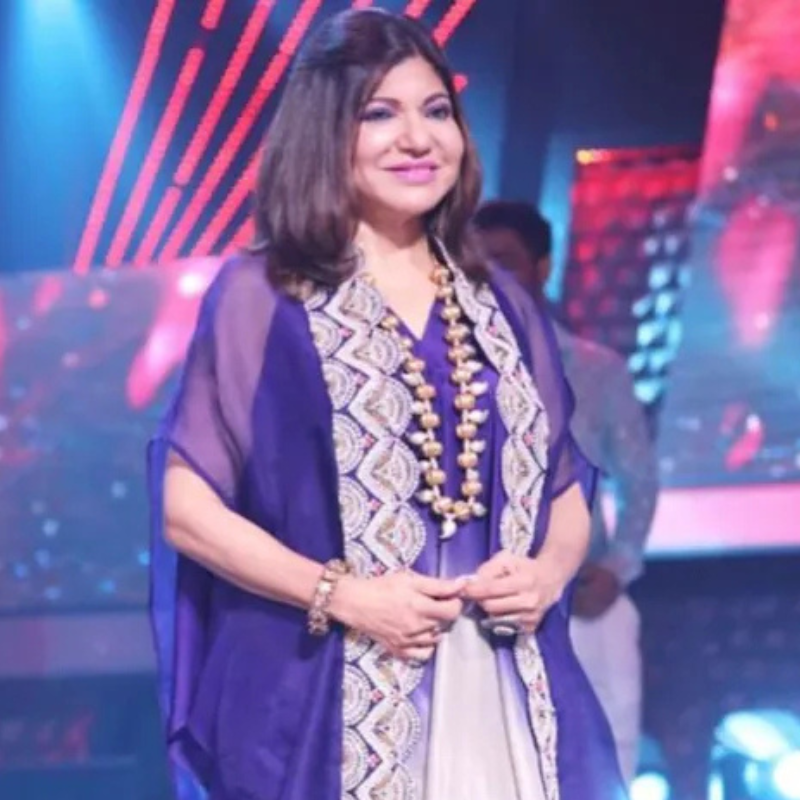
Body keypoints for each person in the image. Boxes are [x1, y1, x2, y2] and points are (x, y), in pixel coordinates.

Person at [149, 10, 627, 800]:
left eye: (436, 111)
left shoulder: (500, 302)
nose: (418, 139)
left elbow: (564, 486)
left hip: (502, 688)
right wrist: (344, 596)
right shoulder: (263, 296)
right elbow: (186, 510)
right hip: (327, 692)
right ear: (325, 133)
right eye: (381, 113)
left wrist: (546, 576)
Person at [474, 200, 659, 784]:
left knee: (606, 755)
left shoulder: (595, 370)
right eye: (477, 263)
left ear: (542, 267)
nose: (489, 276)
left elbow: (639, 477)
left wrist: (617, 569)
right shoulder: (454, 368)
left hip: (583, 596)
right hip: (485, 600)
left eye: (504, 261)